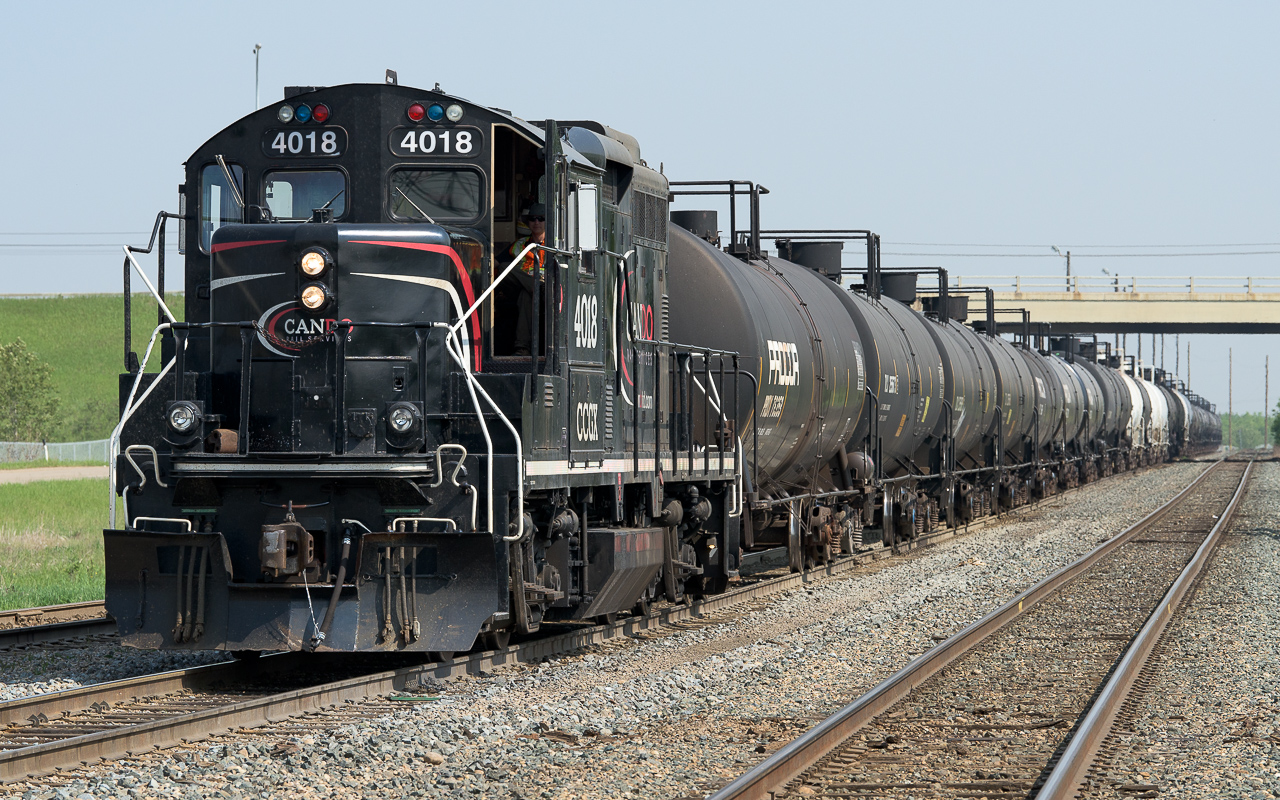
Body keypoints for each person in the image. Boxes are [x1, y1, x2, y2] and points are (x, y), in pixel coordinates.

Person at [509, 203, 546, 356]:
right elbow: (497, 263)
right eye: (532, 219)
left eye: (541, 219)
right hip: (523, 285)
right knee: (506, 267)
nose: (536, 222)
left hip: (548, 289)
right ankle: (533, 286)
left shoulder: (558, 243)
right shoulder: (519, 244)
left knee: (526, 294)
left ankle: (522, 348)